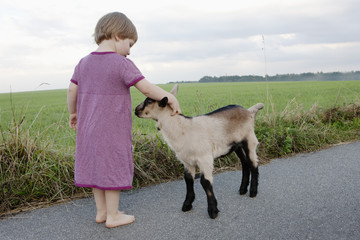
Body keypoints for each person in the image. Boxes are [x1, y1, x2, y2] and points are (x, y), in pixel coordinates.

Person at [67, 12, 181, 228]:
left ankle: (101, 212)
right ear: (117, 36)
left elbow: (72, 88)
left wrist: (73, 113)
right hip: (112, 130)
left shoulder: (83, 62)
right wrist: (170, 97)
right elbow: (146, 87)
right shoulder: (121, 64)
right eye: (130, 44)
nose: (129, 51)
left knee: (96, 168)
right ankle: (113, 216)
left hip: (87, 129)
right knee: (111, 167)